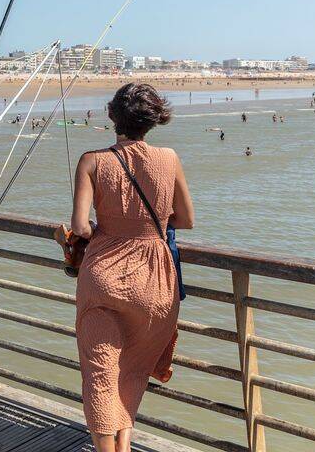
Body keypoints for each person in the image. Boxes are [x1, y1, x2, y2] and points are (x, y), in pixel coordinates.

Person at [70, 83, 194, 452]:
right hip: (155, 280)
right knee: (132, 368)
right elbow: (185, 219)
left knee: (99, 373)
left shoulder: (92, 161)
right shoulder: (169, 158)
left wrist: (111, 227)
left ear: (112, 116)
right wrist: (146, 221)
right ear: (154, 120)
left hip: (104, 275)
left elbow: (80, 227)